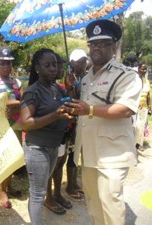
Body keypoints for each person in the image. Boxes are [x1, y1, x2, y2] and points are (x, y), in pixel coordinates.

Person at [62, 19, 142, 225]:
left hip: (112, 152)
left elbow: (125, 109)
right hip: (89, 151)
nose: (95, 47)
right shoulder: (87, 77)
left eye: (102, 43)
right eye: (92, 43)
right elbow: (86, 108)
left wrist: (88, 109)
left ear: (114, 46)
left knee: (110, 202)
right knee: (94, 202)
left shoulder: (126, 76)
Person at [20, 48, 69, 225]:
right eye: (47, 65)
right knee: (38, 193)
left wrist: (69, 98)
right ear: (37, 68)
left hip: (53, 147)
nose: (52, 69)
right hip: (37, 148)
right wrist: (55, 115)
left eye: (54, 64)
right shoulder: (33, 92)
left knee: (38, 190)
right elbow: (25, 123)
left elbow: (66, 106)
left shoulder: (57, 88)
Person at [0, 46, 23, 209]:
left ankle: (9, 187)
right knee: (4, 157)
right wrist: (17, 104)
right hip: (1, 126)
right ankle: (2, 191)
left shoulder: (17, 82)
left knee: (15, 157)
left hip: (17, 124)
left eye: (9, 63)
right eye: (3, 63)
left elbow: (25, 101)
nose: (6, 66)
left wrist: (13, 105)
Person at [44, 53, 72, 215]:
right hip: (51, 135)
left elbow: (70, 104)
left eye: (60, 66)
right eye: (56, 66)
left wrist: (69, 88)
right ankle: (48, 198)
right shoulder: (45, 88)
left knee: (60, 163)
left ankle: (57, 193)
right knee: (50, 167)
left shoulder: (61, 88)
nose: (58, 69)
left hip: (64, 132)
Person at [64, 49, 88, 200]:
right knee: (72, 153)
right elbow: (69, 99)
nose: (83, 64)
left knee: (77, 152)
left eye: (84, 61)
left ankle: (74, 183)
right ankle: (69, 186)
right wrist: (71, 87)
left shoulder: (84, 76)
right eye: (79, 61)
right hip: (73, 121)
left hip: (83, 119)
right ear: (72, 63)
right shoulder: (69, 78)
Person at [134, 62, 152, 151]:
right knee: (135, 125)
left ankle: (138, 143)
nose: (144, 71)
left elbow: (148, 95)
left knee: (141, 126)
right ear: (138, 69)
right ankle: (131, 142)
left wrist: (149, 107)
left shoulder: (147, 81)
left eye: (145, 69)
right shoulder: (134, 80)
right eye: (142, 68)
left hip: (144, 108)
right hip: (134, 106)